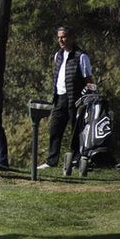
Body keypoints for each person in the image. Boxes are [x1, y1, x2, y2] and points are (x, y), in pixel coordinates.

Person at [39, 25, 94, 170]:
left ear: (71, 37)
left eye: (63, 37)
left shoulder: (81, 56)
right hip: (59, 98)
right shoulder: (58, 55)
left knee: (76, 131)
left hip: (75, 99)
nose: (61, 40)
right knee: (55, 129)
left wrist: (89, 97)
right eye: (59, 37)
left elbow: (89, 80)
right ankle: (51, 161)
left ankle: (76, 160)